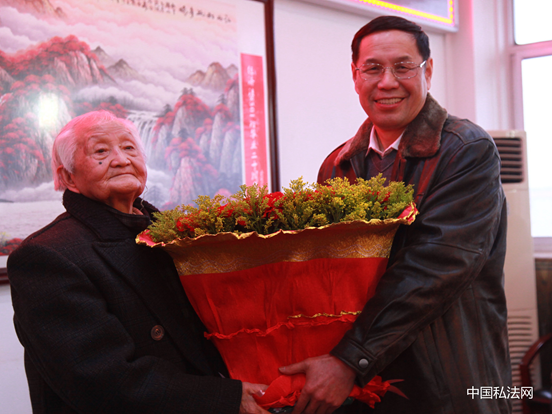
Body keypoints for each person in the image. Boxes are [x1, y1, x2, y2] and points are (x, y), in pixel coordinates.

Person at [279, 16, 511, 414]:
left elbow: (435, 266)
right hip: (366, 383)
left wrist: (349, 360)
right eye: (372, 68)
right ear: (355, 76)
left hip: (450, 380)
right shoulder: (338, 165)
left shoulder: (466, 150)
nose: (387, 82)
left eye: (403, 67)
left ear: (427, 71)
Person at [8, 111, 269, 414]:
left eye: (129, 148)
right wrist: (224, 398)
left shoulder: (173, 235)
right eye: (101, 151)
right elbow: (101, 381)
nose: (121, 160)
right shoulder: (46, 256)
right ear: (68, 177)